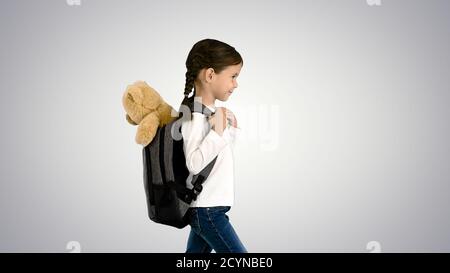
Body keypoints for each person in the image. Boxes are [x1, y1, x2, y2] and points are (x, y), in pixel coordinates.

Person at [180, 38, 247, 253]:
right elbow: (194, 163)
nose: (236, 84)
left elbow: (218, 158)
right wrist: (218, 131)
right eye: (233, 76)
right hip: (207, 211)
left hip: (209, 209)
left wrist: (231, 129)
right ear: (210, 75)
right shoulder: (193, 116)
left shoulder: (210, 113)